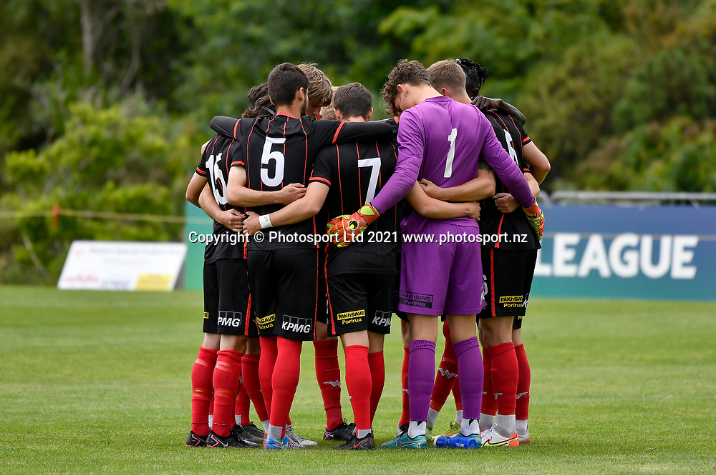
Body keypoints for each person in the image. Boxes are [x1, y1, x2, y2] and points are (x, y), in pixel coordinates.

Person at [242, 82, 481, 449]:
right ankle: (410, 425)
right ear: (371, 114)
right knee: (376, 347)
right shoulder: (395, 147)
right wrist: (465, 208)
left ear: (336, 115)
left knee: (352, 345)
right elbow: (416, 197)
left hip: (343, 259)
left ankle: (363, 432)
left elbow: (314, 203)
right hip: (386, 257)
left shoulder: (328, 151)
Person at [328, 59, 544, 449]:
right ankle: (470, 431)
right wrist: (531, 208)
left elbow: (406, 174)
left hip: (427, 238)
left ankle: (414, 433)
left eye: (397, 104)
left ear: (402, 90)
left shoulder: (413, 118)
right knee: (466, 334)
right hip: (468, 236)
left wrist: (365, 214)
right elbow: (509, 173)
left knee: (424, 333)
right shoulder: (475, 117)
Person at [215, 62, 393, 449]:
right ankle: (278, 436)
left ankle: (271, 428)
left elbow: (231, 180)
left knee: (267, 343)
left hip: (258, 247)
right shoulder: (315, 132)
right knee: (291, 343)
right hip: (299, 248)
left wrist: (266, 208)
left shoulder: (247, 131)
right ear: (302, 96)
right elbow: (372, 129)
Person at [423, 58, 549, 446]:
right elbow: (540, 165)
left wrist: (440, 194)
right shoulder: (507, 118)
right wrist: (528, 194)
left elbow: (486, 181)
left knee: (493, 333)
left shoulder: (472, 123)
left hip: (495, 237)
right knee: (509, 334)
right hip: (522, 234)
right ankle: (512, 425)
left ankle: (505, 430)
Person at [184, 86, 306, 447]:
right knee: (233, 344)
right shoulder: (248, 144)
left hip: (215, 245)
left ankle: (200, 429)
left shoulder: (214, 144)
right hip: (241, 249)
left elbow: (193, 192)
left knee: (210, 342)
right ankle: (222, 430)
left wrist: (220, 215)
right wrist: (279, 198)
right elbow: (242, 192)